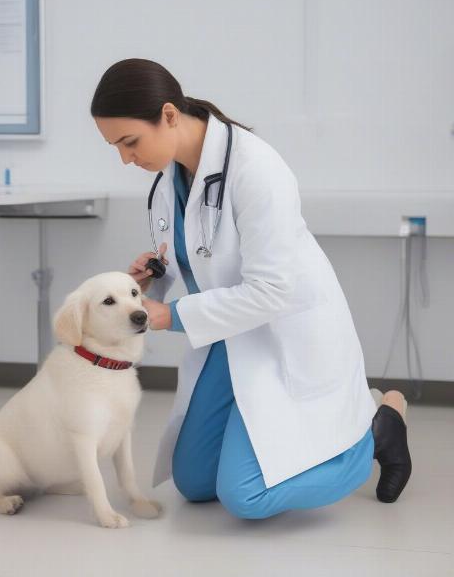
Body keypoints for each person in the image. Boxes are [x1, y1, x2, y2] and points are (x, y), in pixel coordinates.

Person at [90, 58, 412, 519]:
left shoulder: (255, 167)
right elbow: (200, 256)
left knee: (246, 496)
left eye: (130, 142)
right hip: (229, 334)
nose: (125, 158)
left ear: (168, 115)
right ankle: (254, 445)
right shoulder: (168, 178)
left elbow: (271, 291)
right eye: (115, 147)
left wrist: (170, 315)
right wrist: (152, 275)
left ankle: (379, 426)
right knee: (195, 483)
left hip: (280, 330)